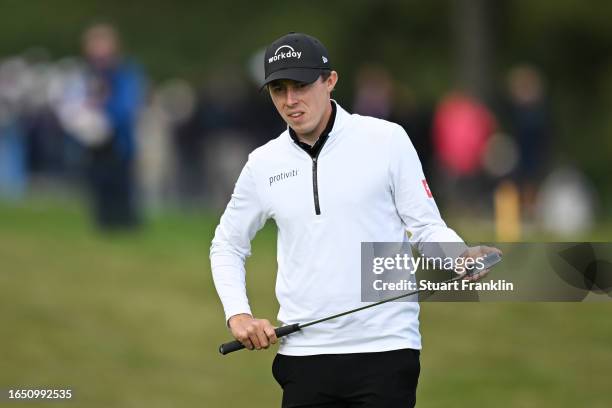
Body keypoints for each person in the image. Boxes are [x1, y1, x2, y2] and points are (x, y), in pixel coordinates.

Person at [211, 32, 500, 407]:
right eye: (278, 89)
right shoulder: (263, 164)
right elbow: (228, 244)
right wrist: (239, 315)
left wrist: (458, 256)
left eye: (300, 85)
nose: (290, 101)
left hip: (386, 350)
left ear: (330, 81)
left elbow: (425, 227)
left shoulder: (386, 140)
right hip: (303, 355)